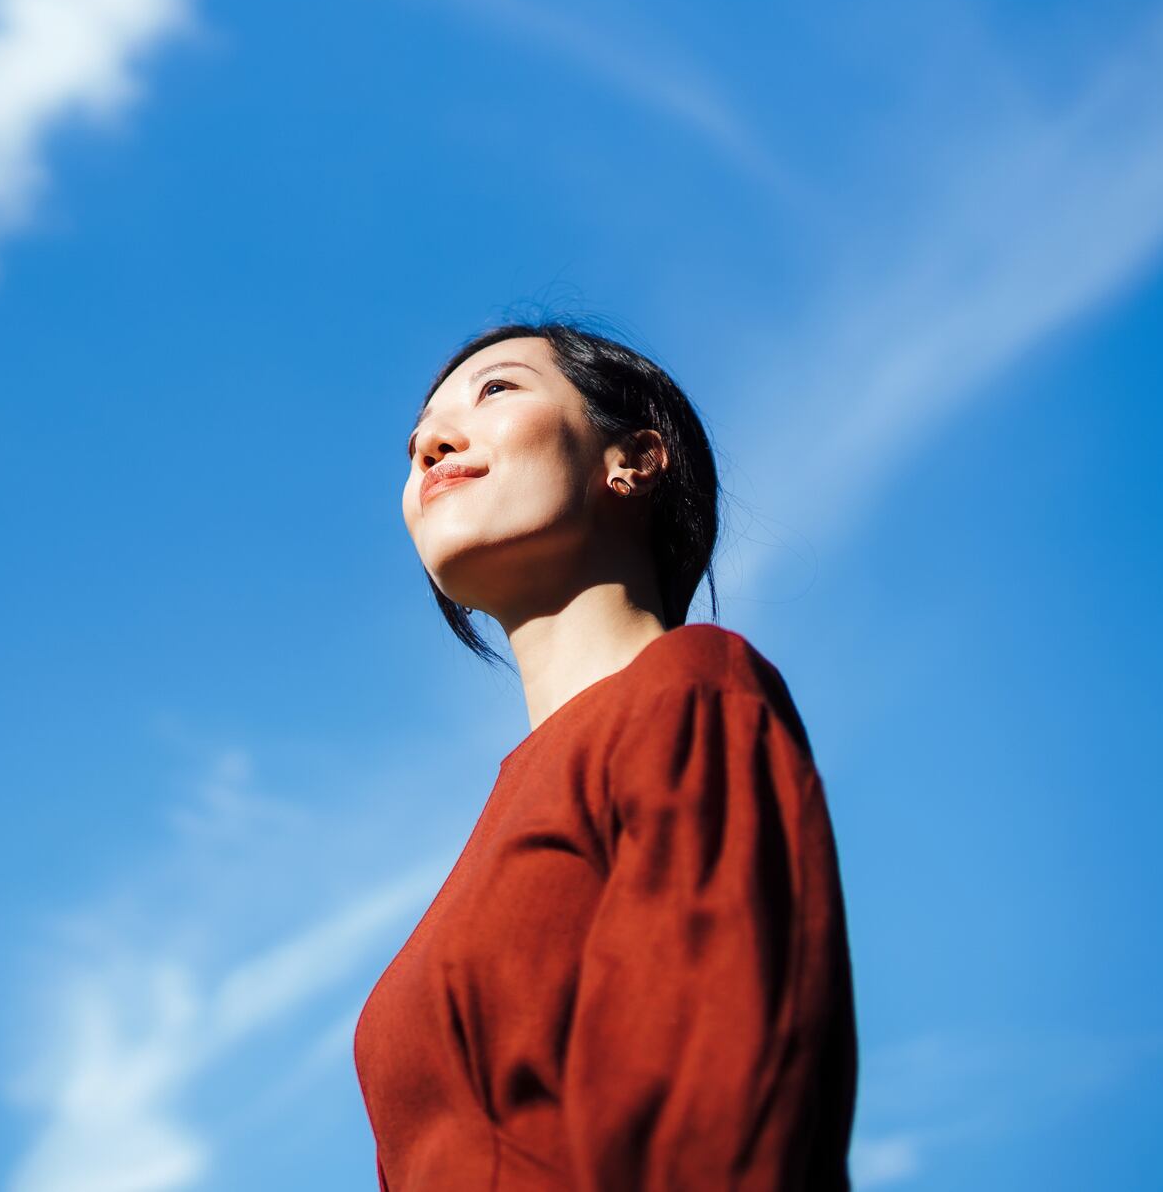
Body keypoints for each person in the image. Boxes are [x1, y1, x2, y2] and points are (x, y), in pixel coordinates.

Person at [353, 319, 859, 1190]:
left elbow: (723, 1118)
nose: (429, 443)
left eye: (497, 389)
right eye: (414, 442)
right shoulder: (493, 834)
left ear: (633, 459)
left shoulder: (692, 693)